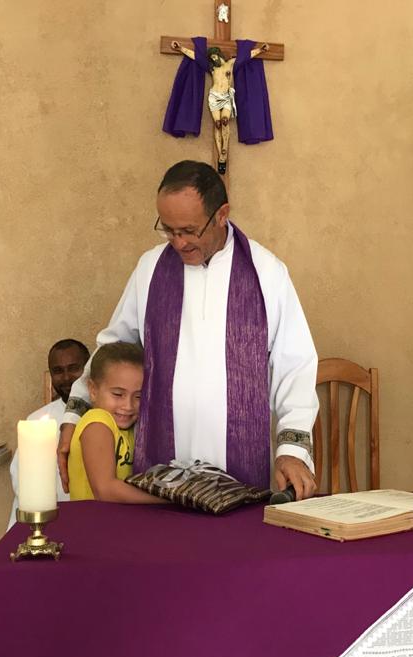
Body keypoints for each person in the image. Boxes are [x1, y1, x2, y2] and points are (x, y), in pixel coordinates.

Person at [58, 160, 319, 499]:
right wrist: (75, 414)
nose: (178, 243)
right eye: (169, 230)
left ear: (221, 214)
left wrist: (292, 451)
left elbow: (294, 365)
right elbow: (114, 347)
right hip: (161, 463)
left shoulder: (266, 273)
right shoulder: (151, 268)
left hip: (240, 463)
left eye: (189, 231)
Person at [8, 338, 90, 528]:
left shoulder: (109, 415)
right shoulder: (35, 422)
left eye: (74, 368)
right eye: (58, 371)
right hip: (47, 521)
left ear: (88, 368)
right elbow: (21, 481)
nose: (67, 377)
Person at [67, 342, 161, 503]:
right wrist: (167, 499)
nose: (128, 406)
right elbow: (105, 490)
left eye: (138, 396)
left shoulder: (128, 429)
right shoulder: (97, 422)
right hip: (91, 518)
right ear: (93, 390)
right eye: (118, 394)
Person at [170, 41, 269, 173]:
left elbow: (247, 56)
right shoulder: (212, 68)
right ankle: (220, 154)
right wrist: (180, 48)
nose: (213, 59)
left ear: (219, 54)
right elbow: (195, 56)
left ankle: (224, 151)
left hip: (226, 96)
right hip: (214, 97)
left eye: (214, 56)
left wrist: (261, 50)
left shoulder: (231, 64)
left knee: (225, 121)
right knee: (217, 124)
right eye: (211, 58)